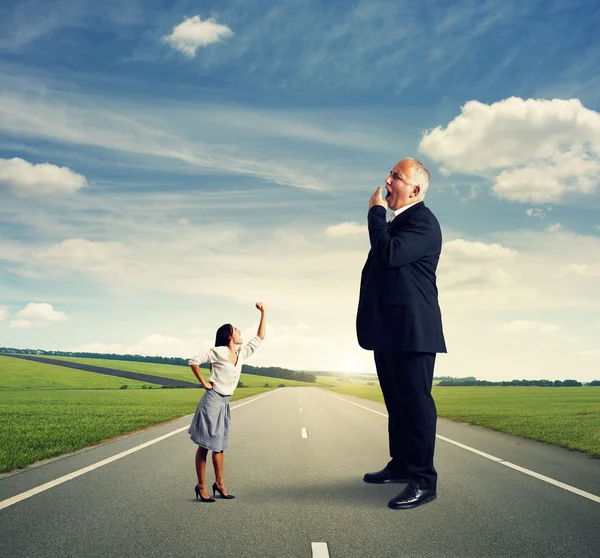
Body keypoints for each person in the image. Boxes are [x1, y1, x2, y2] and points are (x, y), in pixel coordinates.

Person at [356, 157, 446, 510]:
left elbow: (389, 255)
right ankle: (402, 465)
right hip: (390, 330)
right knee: (397, 404)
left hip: (414, 331)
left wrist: (375, 214)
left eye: (397, 176)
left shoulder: (422, 223)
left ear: (416, 189)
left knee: (417, 405)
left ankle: (424, 480)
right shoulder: (400, 223)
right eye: (390, 174)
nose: (388, 180)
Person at [188, 302, 266, 502]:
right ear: (229, 336)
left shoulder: (240, 355)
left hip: (224, 404)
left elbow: (260, 338)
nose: (240, 332)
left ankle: (219, 484)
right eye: (237, 330)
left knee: (219, 446)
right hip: (212, 401)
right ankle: (202, 486)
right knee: (205, 445)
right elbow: (193, 360)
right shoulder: (219, 351)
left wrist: (263, 313)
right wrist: (204, 382)